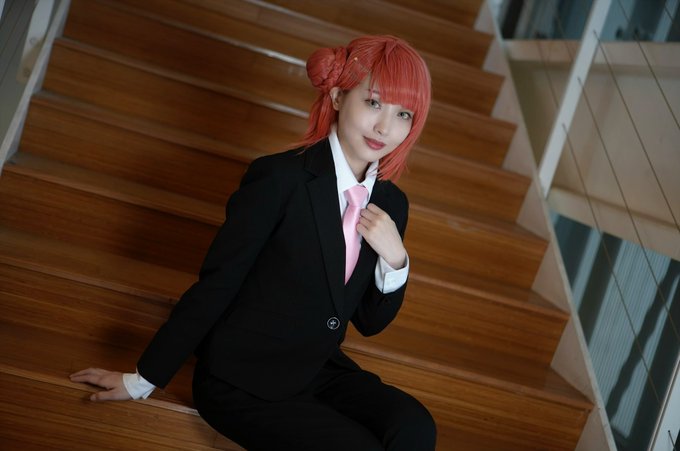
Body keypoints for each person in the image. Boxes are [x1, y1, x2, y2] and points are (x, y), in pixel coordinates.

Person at [70, 35, 435, 450]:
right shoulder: (279, 179)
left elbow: (370, 323)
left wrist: (396, 259)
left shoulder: (390, 204)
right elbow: (217, 285)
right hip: (242, 378)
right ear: (337, 96)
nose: (385, 127)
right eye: (373, 103)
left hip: (316, 367)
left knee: (415, 426)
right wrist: (143, 378)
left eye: (403, 113)